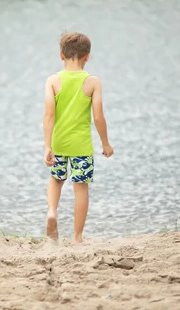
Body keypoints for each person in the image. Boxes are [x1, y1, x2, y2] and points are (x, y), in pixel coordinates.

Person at [43, 32, 113, 245]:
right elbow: (98, 116)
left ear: (61, 55)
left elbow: (49, 115)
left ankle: (52, 212)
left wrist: (47, 146)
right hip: (81, 146)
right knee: (81, 187)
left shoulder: (53, 81)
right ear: (87, 56)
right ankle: (77, 237)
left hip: (59, 143)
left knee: (56, 180)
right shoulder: (92, 82)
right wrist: (105, 143)